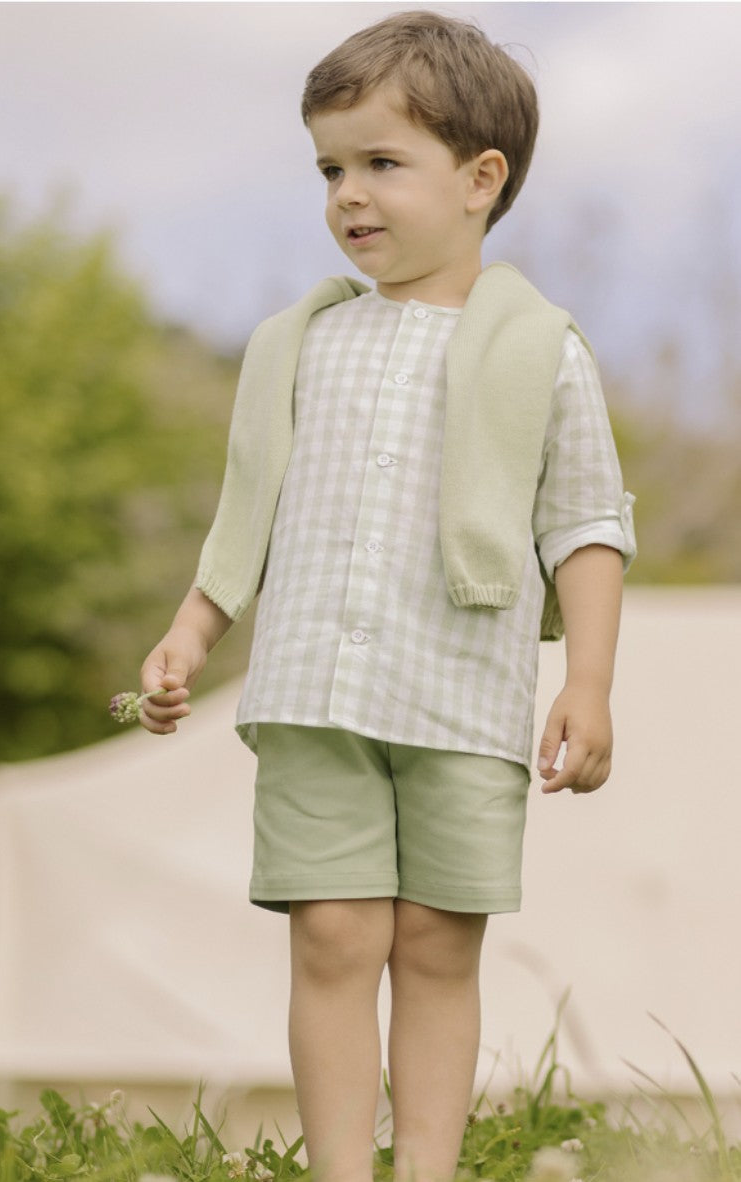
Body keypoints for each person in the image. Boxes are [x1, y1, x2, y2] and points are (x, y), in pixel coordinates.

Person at [139, 11, 636, 1182]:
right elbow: (249, 512)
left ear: (478, 179)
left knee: (430, 945)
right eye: (328, 168)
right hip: (315, 686)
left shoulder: (540, 349)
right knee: (331, 933)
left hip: (459, 699)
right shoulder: (298, 345)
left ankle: (423, 1168)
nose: (346, 195)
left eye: (379, 164)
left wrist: (591, 683)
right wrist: (191, 629)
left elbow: (585, 524)